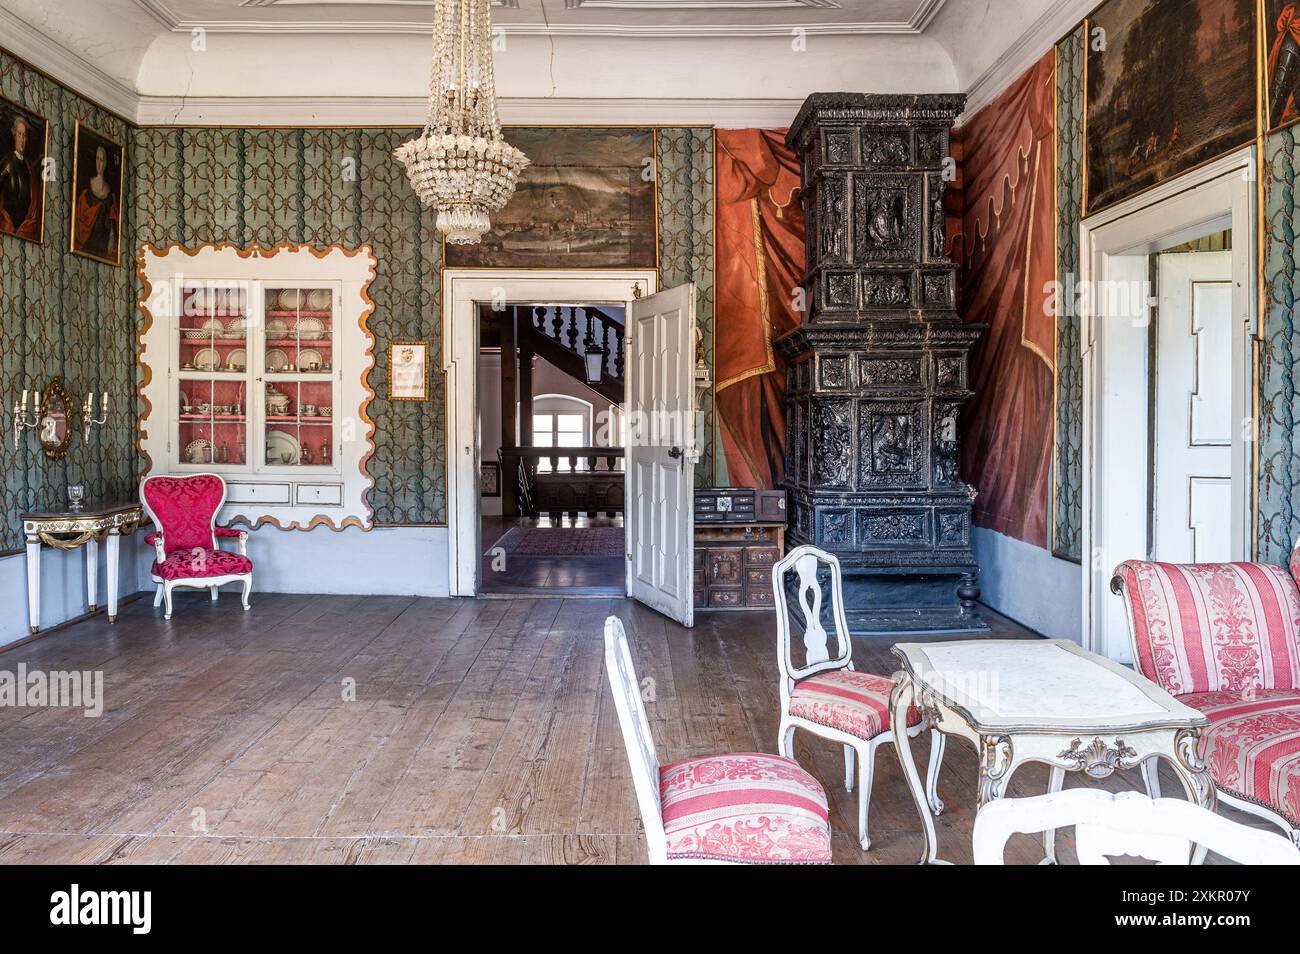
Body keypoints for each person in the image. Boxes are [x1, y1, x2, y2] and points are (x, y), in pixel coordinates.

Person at [73, 142, 118, 261]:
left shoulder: (110, 192)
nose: (99, 163)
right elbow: (80, 218)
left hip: (103, 243)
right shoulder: (87, 188)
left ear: (106, 163)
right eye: (97, 159)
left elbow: (113, 225)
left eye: (102, 160)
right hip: (87, 241)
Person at [0, 113, 40, 241]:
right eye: (19, 134)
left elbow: (33, 201)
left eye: (24, 135)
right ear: (14, 136)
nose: (22, 139)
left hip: (25, 230)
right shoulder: (6, 162)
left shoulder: (30, 169)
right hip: (7, 226)